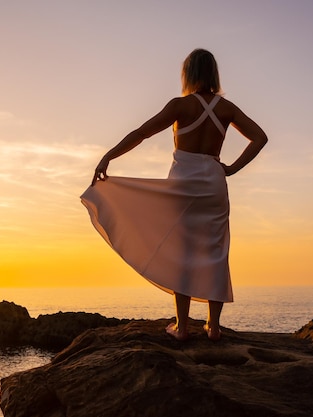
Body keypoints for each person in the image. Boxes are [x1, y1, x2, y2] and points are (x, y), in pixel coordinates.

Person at [81, 48, 268, 341]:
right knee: (216, 251)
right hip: (214, 183)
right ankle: (214, 327)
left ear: (188, 73)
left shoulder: (181, 106)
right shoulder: (227, 108)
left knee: (182, 251)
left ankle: (182, 327)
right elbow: (260, 137)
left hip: (184, 182)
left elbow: (142, 132)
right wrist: (231, 168)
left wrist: (109, 156)